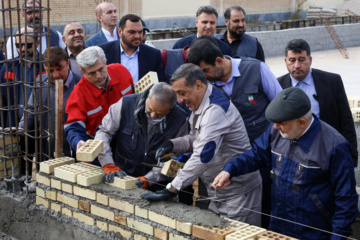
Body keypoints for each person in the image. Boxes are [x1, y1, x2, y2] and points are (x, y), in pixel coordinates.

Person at [213, 87, 358, 239]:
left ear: (301, 122)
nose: (275, 127)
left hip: (314, 231)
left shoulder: (334, 147)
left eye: (281, 123)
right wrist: (229, 170)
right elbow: (256, 154)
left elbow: (346, 200)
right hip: (278, 224)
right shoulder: (277, 130)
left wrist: (337, 237)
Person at [141, 64, 262, 225]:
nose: (180, 100)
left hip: (238, 194)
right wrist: (171, 144)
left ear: (198, 85)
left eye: (182, 93)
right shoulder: (201, 102)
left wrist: (173, 187)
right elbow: (195, 138)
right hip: (219, 191)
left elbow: (203, 155)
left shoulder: (215, 111)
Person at [188, 38, 281, 227]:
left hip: (259, 157)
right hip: (224, 161)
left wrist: (268, 143)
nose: (204, 78)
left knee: (261, 207)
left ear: (219, 61)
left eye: (206, 71)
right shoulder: (207, 87)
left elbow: (281, 109)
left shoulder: (257, 69)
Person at [278, 39, 358, 167]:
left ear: (310, 60)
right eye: (292, 60)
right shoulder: (278, 86)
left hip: (328, 154)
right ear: (286, 61)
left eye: (302, 59)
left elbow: (346, 122)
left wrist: (351, 158)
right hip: (292, 158)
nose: (297, 65)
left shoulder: (332, 82)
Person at [95, 82, 188, 182]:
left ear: (171, 108)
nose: (152, 115)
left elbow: (172, 157)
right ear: (149, 94)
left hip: (155, 183)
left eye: (159, 114)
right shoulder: (126, 104)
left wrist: (149, 179)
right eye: (150, 109)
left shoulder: (180, 120)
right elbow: (104, 132)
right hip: (121, 173)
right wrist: (108, 163)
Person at [64, 46, 133, 154]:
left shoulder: (121, 72)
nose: (98, 76)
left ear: (105, 63)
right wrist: (78, 141)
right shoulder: (78, 94)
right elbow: (74, 126)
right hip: (100, 151)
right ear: (82, 71)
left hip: (130, 144)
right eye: (92, 73)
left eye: (101, 69)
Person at [19, 46, 80, 157]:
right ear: (44, 66)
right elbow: (31, 110)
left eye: (60, 68)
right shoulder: (40, 82)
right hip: (45, 151)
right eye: (50, 70)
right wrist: (21, 128)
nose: (56, 75)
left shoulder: (80, 84)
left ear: (67, 63)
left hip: (73, 151)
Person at [99, 14, 166, 83]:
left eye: (140, 32)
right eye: (132, 32)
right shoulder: (103, 52)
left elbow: (160, 83)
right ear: (119, 32)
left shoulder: (153, 55)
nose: (137, 36)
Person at [1, 27, 41, 127]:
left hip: (40, 127)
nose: (23, 49)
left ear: (37, 43)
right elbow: (2, 99)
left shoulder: (46, 66)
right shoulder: (8, 67)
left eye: (28, 45)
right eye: (18, 45)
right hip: (14, 125)